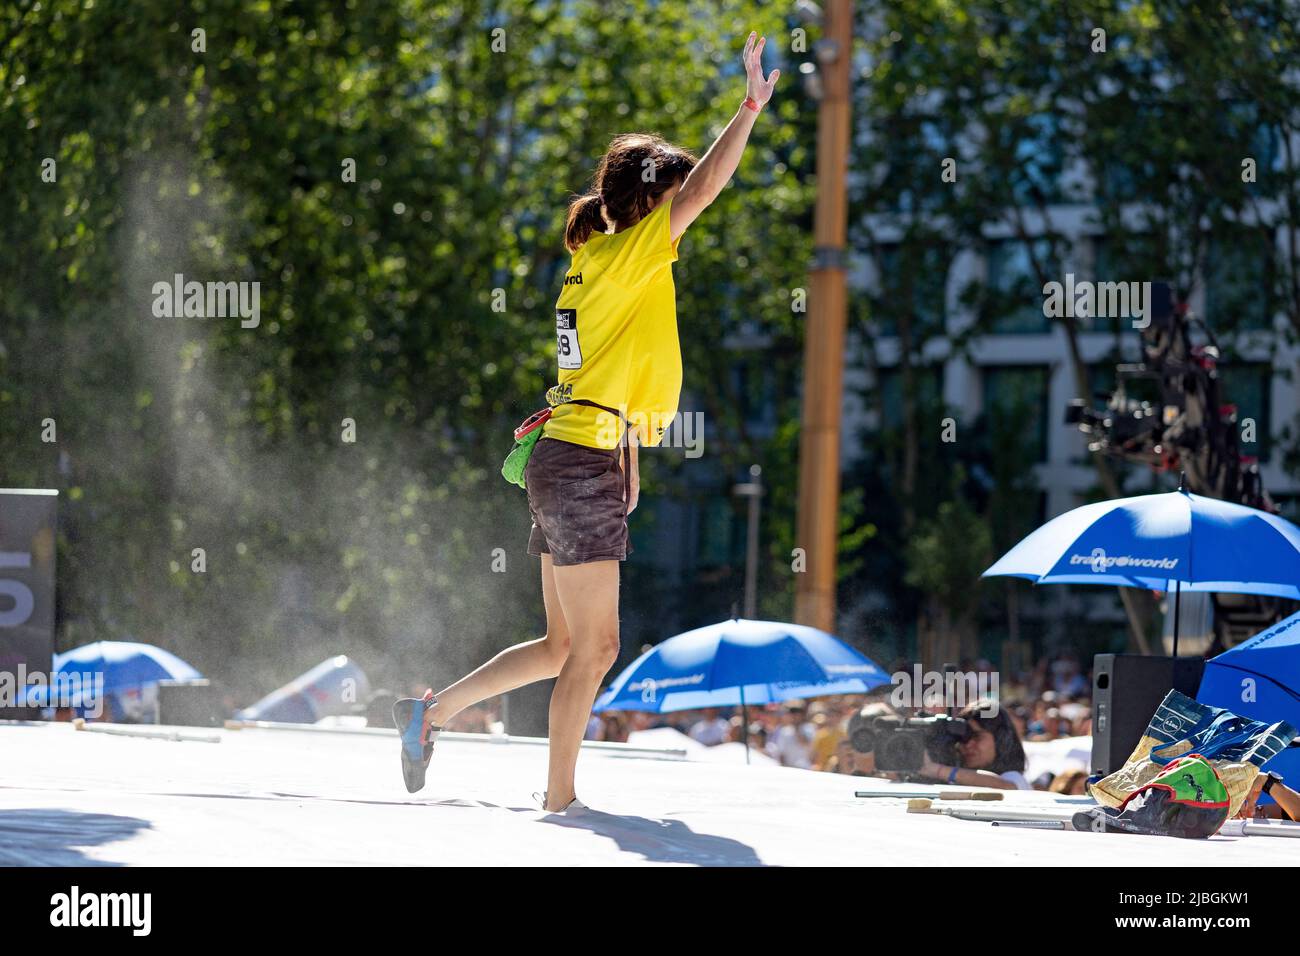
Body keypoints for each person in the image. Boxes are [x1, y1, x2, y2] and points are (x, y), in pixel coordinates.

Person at [392, 33, 781, 812]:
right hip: (576, 459)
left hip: (573, 453)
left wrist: (625, 462)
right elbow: (706, 186)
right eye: (670, 195)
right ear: (650, 201)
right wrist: (747, 108)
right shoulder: (632, 252)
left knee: (563, 646)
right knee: (596, 648)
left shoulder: (591, 260)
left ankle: (427, 715)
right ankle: (560, 800)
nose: (683, 208)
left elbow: (603, 381)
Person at [910, 701, 1031, 791]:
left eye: (977, 737)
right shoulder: (954, 779)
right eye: (962, 738)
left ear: (1001, 740)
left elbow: (1006, 788)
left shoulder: (1014, 778)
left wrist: (936, 770)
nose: (967, 744)